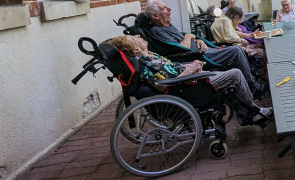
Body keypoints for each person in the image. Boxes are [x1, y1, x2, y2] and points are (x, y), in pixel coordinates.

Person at [109, 35, 273, 127]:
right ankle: (255, 111)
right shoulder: (146, 65)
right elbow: (161, 86)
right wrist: (189, 70)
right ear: (135, 49)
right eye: (134, 38)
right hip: (187, 87)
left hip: (191, 78)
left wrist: (191, 64)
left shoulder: (151, 56)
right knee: (235, 74)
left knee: (228, 76)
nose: (138, 36)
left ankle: (249, 113)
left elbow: (173, 67)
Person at [144, 0, 266, 98]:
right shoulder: (157, 31)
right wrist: (188, 36)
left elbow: (186, 40)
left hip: (200, 50)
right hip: (195, 56)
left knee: (236, 50)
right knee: (236, 50)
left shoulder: (168, 26)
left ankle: (250, 86)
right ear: (155, 16)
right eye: (164, 8)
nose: (169, 9)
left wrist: (198, 39)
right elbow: (181, 48)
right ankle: (253, 87)